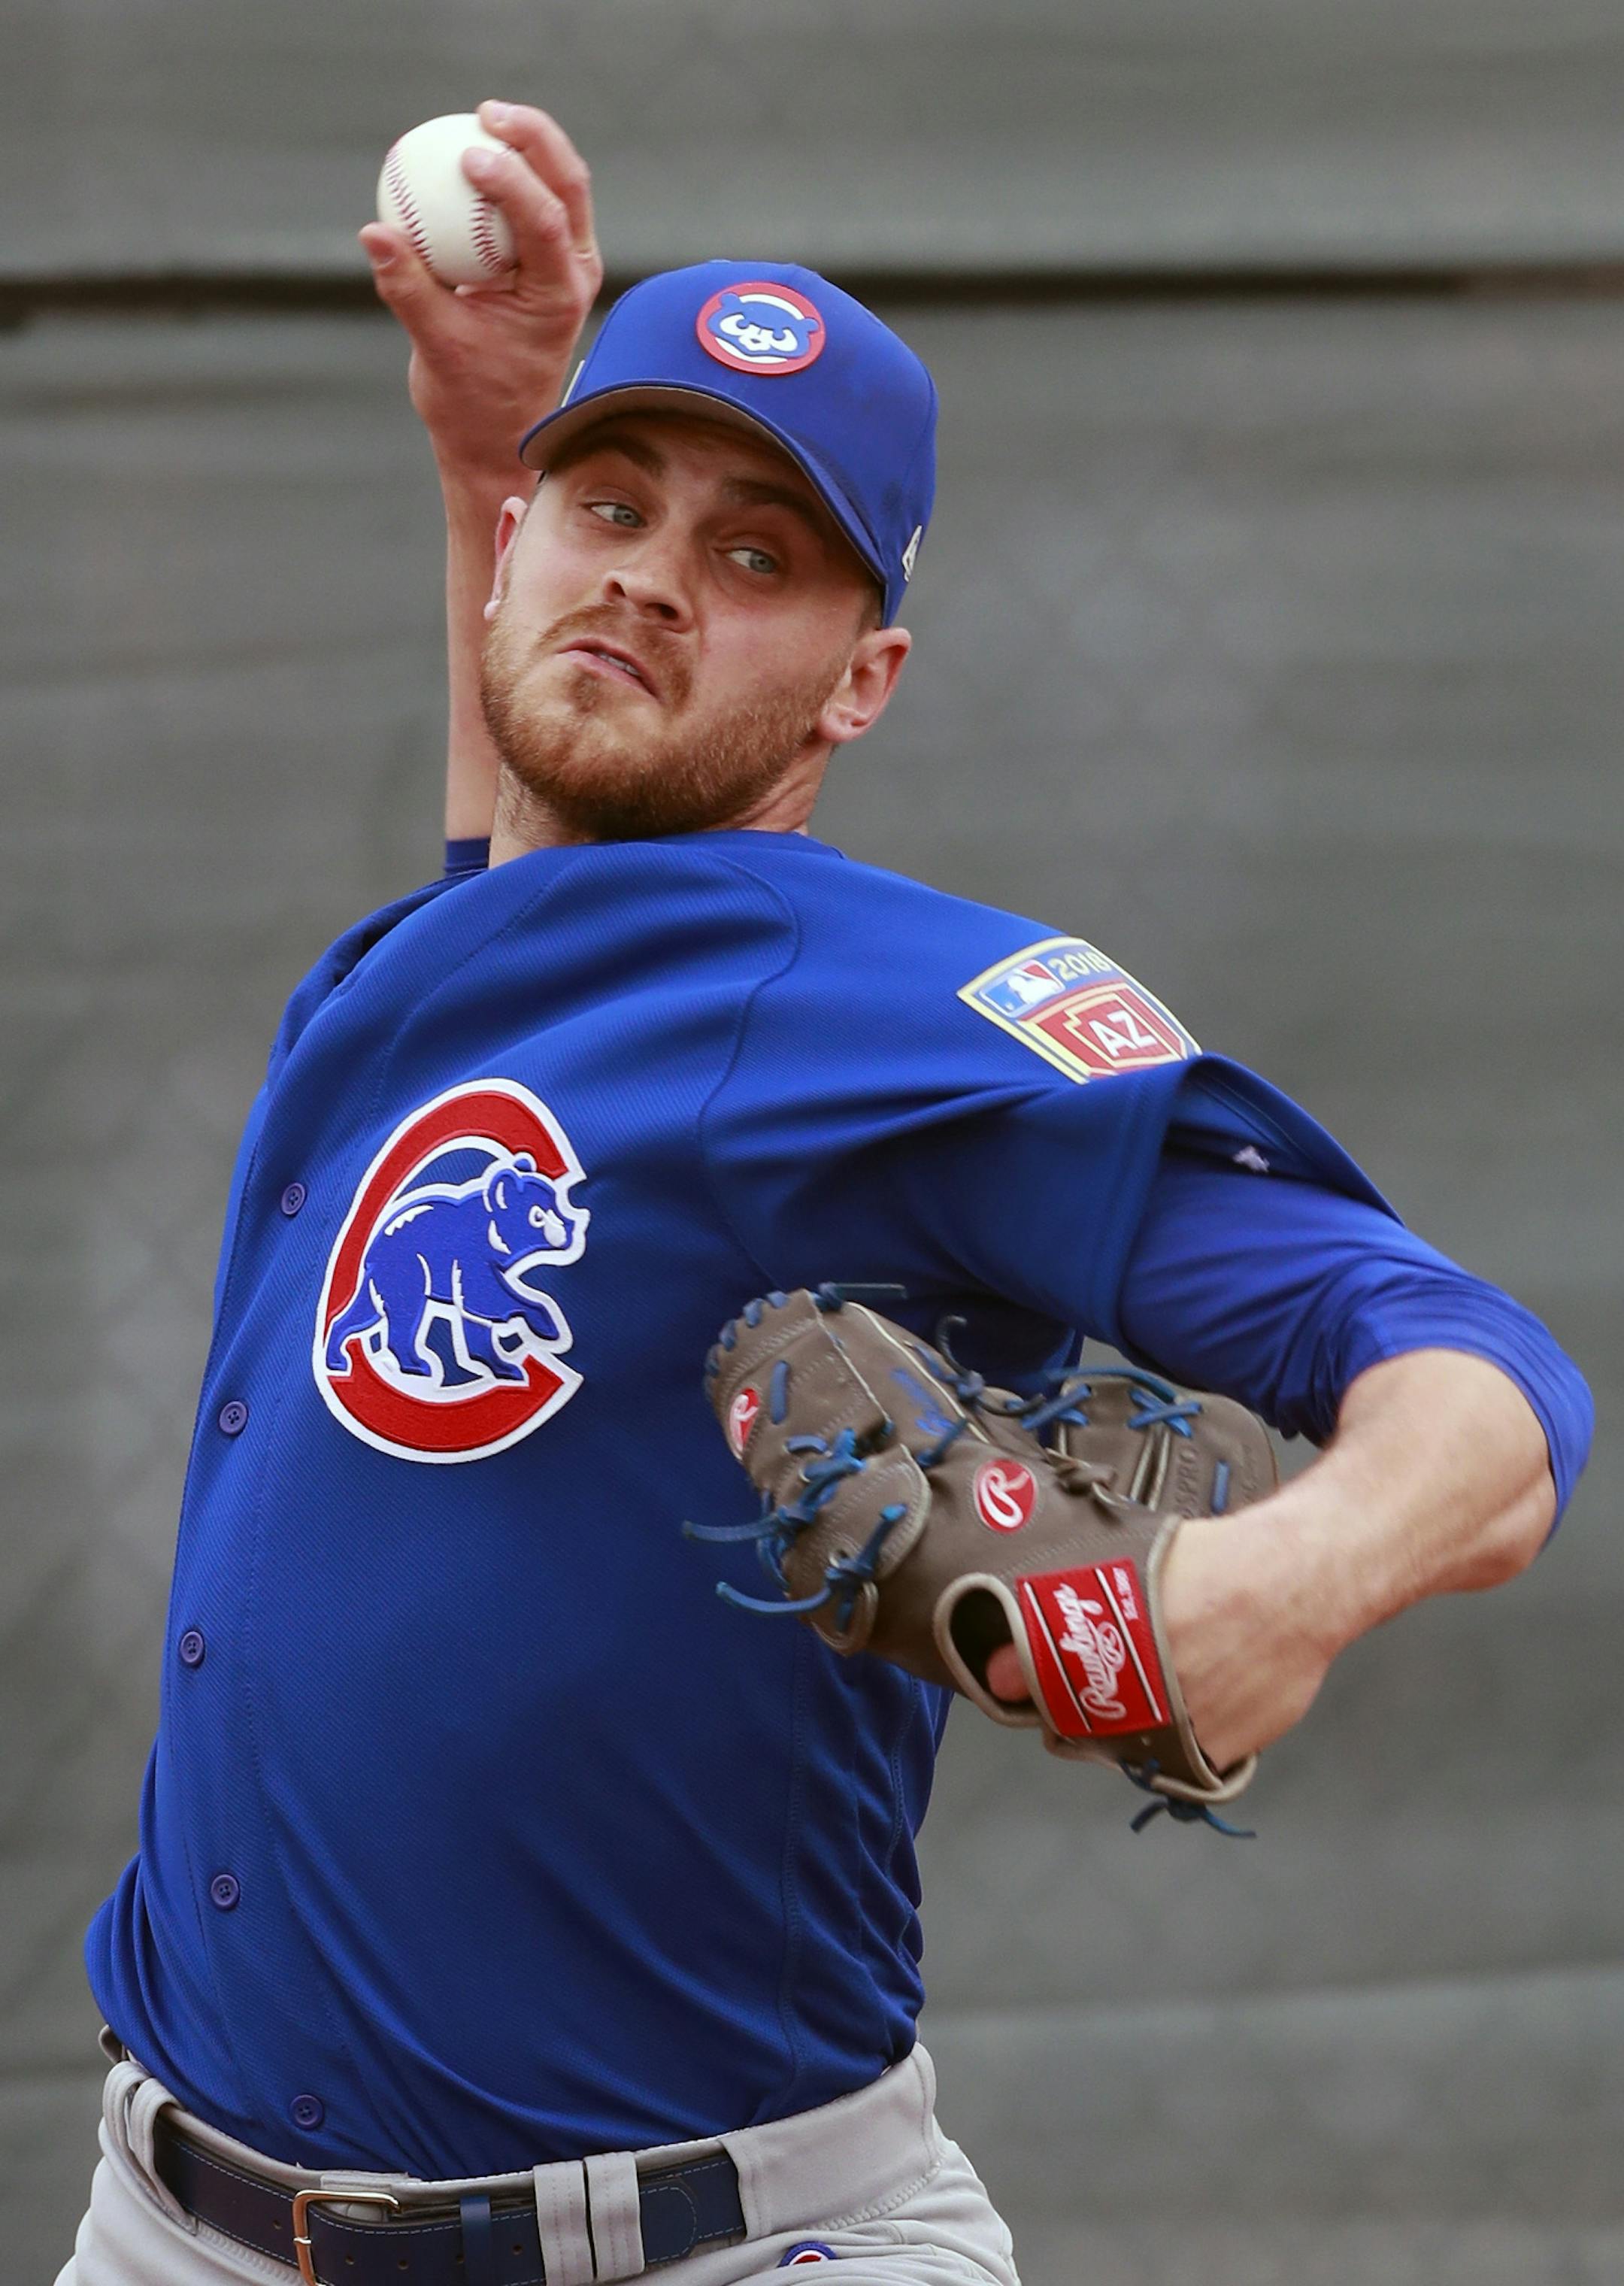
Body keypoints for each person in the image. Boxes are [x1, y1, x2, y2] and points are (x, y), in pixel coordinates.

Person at [59, 103, 1590, 2286]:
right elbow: (539, 841)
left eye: (761, 556)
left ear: (862, 683)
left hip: (706, 2246)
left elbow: (1491, 1385)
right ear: (519, 547)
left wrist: (1265, 1589)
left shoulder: (905, 1016)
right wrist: (487, 442)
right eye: (612, 508)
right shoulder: (419, 978)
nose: (655, 576)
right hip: (179, 2226)